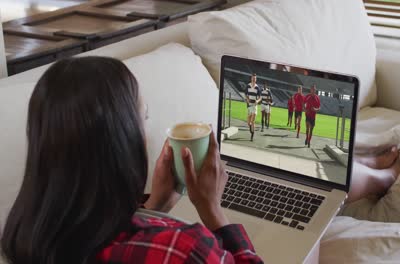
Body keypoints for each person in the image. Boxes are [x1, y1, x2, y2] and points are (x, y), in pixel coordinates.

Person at [0, 57, 264, 264]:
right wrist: (213, 210)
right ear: (122, 140)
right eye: (143, 117)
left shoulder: (24, 237)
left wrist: (154, 206)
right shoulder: (185, 249)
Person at [245, 74, 262, 141]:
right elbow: (245, 94)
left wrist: (257, 101)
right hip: (249, 105)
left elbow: (260, 97)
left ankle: (252, 135)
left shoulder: (257, 87)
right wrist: (247, 99)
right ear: (251, 79)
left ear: (256, 79)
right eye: (253, 78)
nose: (254, 79)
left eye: (255, 78)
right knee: (248, 122)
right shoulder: (248, 86)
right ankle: (251, 129)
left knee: (252, 121)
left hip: (254, 106)